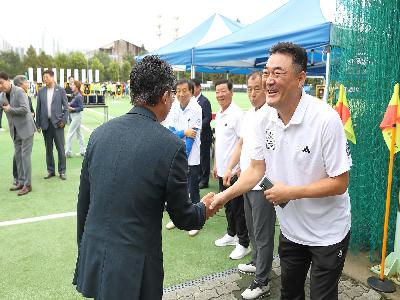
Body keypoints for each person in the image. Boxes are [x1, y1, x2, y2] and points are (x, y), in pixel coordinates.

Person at [210, 42, 352, 299]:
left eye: (278, 73)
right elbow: (255, 170)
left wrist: (291, 192)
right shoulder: (263, 119)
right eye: (267, 73)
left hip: (328, 234)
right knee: (290, 293)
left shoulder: (325, 119)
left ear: (300, 79)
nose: (269, 81)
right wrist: (222, 196)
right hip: (291, 231)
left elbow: (340, 183)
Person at [73, 55, 217, 300]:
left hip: (95, 256)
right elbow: (183, 217)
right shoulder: (170, 146)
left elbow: (83, 204)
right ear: (164, 96)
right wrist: (204, 209)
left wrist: (87, 249)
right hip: (135, 270)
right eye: (171, 94)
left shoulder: (99, 134)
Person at [223, 71, 275, 299]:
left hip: (262, 185)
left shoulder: (271, 115)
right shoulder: (249, 115)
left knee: (263, 234)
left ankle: (262, 281)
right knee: (253, 229)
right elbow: (242, 144)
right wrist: (231, 167)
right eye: (250, 88)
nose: (253, 93)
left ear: (266, 89)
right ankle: (256, 263)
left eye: (258, 88)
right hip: (246, 182)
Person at [213, 79, 250, 260]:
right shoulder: (219, 114)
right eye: (217, 91)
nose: (220, 95)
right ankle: (231, 234)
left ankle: (244, 243)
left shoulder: (237, 114)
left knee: (238, 208)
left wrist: (240, 167)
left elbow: (243, 143)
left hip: (235, 172)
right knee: (227, 205)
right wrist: (215, 164)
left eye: (223, 91)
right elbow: (219, 142)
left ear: (231, 92)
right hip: (222, 170)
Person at [164, 79, 203, 237]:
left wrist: (183, 158)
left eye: (184, 90)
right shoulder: (174, 106)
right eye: (178, 91)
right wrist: (183, 132)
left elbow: (191, 137)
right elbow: (171, 131)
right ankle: (177, 218)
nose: (181, 94)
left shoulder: (196, 108)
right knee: (178, 189)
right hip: (177, 155)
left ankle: (196, 222)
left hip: (190, 157)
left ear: (191, 92)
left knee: (192, 190)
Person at [0, 72, 36, 196]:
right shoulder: (2, 96)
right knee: (19, 158)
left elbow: (25, 109)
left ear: (8, 80)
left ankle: (28, 184)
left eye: (1, 83)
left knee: (25, 157)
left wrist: (10, 109)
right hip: (14, 131)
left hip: (26, 129)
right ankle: (21, 182)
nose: (0, 86)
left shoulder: (19, 91)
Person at [36, 69, 69, 180]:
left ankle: (62, 171)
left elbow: (66, 108)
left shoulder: (60, 90)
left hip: (58, 124)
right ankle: (50, 170)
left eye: (46, 77)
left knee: (60, 148)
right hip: (46, 124)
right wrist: (38, 124)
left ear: (52, 77)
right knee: (48, 149)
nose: (44, 79)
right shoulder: (41, 91)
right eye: (43, 77)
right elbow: (38, 108)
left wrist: (63, 121)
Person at [12, 75, 36, 186]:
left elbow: (30, 110)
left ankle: (23, 181)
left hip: (26, 128)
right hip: (17, 129)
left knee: (23, 155)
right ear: (20, 84)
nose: (28, 84)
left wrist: (32, 114)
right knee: (18, 155)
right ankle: (17, 178)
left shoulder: (27, 96)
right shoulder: (14, 95)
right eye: (26, 82)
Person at [191, 79, 212, 189]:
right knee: (198, 157)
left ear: (199, 87)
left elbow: (208, 118)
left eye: (193, 87)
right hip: (196, 135)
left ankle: (205, 180)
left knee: (204, 158)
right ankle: (199, 178)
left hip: (204, 135)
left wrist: (198, 127)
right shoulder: (192, 101)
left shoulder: (204, 101)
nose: (191, 90)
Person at [65, 80, 86, 157]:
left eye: (73, 85)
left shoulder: (79, 96)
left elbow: (81, 108)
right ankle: (83, 151)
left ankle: (68, 152)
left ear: (77, 87)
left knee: (70, 134)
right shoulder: (75, 95)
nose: (71, 86)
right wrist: (69, 105)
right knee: (79, 134)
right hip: (74, 116)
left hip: (77, 116)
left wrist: (71, 108)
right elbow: (73, 104)